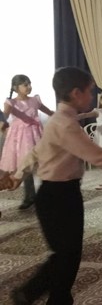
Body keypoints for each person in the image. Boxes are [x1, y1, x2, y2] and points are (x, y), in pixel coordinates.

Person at [9, 66, 102, 305]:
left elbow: (37, 152)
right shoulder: (65, 125)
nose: (92, 97)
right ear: (75, 93)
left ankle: (57, 298)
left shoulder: (60, 120)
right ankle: (29, 292)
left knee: (69, 254)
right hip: (57, 196)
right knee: (66, 255)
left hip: (61, 194)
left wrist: (19, 174)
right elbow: (97, 155)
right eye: (89, 91)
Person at [0, 74, 54, 210]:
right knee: (24, 165)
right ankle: (30, 196)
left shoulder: (35, 100)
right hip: (19, 138)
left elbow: (49, 112)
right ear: (15, 87)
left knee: (41, 164)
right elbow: (4, 117)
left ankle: (48, 195)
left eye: (30, 84)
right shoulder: (11, 102)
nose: (29, 87)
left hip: (36, 135)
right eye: (25, 85)